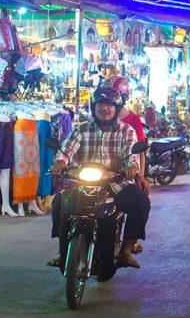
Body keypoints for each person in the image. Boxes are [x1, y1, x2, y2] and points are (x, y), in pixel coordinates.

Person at [48, 84, 151, 270]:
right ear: (93, 107)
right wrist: (60, 162)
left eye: (110, 105)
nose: (105, 109)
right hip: (83, 181)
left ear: (116, 108)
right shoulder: (82, 129)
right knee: (59, 202)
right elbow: (67, 148)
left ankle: (126, 250)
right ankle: (62, 249)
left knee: (141, 202)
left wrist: (132, 167)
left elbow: (131, 153)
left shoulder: (126, 130)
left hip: (115, 183)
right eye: (100, 104)